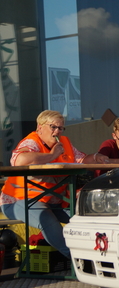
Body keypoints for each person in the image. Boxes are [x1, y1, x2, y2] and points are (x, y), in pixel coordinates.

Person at [0, 110, 111, 258]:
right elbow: (19, 160)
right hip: (18, 200)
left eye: (61, 128)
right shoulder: (32, 142)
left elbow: (81, 160)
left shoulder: (64, 142)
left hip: (54, 201)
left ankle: (102, 254)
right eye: (53, 127)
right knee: (47, 220)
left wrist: (97, 157)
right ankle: (77, 260)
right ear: (40, 128)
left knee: (85, 216)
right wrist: (52, 155)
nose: (57, 131)